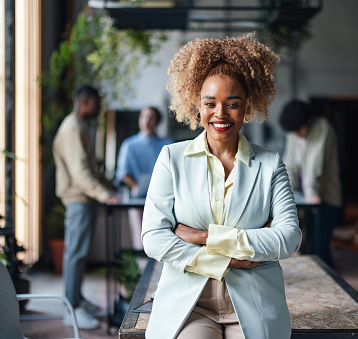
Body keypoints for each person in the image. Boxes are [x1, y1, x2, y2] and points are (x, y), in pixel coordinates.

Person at [141, 34, 302, 339]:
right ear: (196, 103)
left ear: (247, 105)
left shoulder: (270, 165)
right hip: (191, 305)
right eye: (210, 103)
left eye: (233, 104)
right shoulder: (171, 159)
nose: (220, 114)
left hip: (254, 301)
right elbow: (153, 238)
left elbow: (289, 238)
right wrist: (232, 259)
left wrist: (203, 237)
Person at [52, 84, 120, 329]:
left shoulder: (80, 127)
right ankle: (70, 309)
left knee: (79, 253)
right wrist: (104, 194)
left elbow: (91, 169)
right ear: (86, 102)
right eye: (97, 102)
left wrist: (110, 186)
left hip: (84, 199)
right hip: (77, 199)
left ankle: (77, 299)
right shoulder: (72, 129)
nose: (99, 107)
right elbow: (80, 173)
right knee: (75, 255)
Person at [279, 99, 342, 267]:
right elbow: (289, 164)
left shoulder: (323, 129)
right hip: (307, 198)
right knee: (310, 241)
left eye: (299, 130)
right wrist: (286, 192)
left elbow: (315, 164)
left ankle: (330, 281)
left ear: (308, 121)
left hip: (326, 197)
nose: (297, 135)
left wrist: (312, 191)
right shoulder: (293, 133)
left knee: (319, 246)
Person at [115, 106, 173, 250]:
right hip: (138, 196)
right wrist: (137, 186)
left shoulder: (166, 144)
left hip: (162, 196)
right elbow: (123, 173)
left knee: (162, 233)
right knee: (140, 235)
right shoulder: (129, 145)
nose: (147, 121)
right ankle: (142, 269)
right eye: (143, 116)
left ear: (157, 121)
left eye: (151, 117)